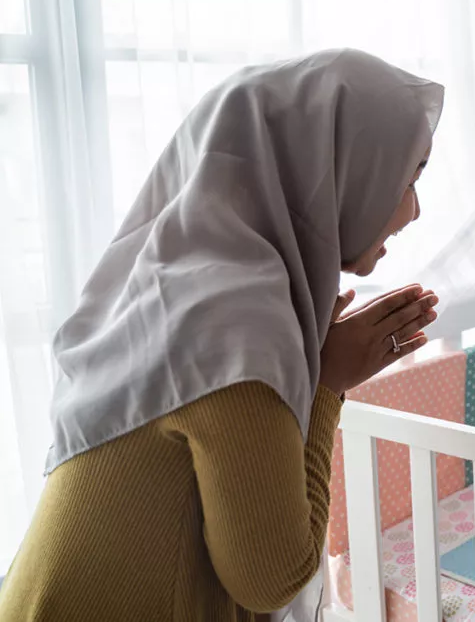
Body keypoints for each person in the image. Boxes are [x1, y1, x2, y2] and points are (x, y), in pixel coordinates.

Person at [0, 50, 444, 621]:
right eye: (408, 177)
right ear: (341, 168)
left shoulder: (185, 280)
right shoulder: (237, 326)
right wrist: (327, 385)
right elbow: (272, 580)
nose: (412, 210)